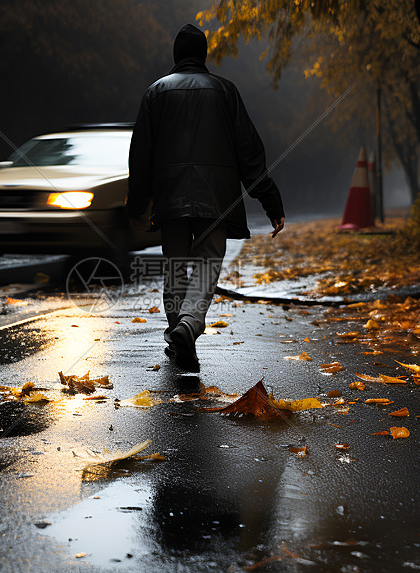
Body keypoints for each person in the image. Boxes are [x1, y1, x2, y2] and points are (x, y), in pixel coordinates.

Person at [127, 23, 285, 371]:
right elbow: (249, 153)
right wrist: (270, 200)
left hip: (169, 199)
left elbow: (140, 156)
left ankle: (178, 334)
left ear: (175, 55)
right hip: (217, 198)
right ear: (204, 54)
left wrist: (137, 205)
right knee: (207, 264)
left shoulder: (155, 93)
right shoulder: (226, 91)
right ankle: (187, 328)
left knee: (175, 266)